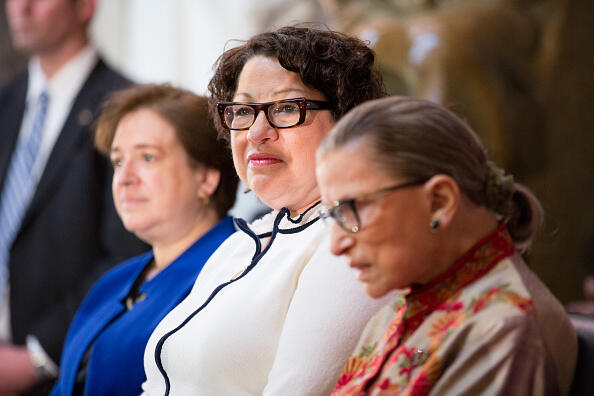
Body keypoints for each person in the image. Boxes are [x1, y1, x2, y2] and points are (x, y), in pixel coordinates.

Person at [141, 26, 394, 395]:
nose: (256, 132)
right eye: (243, 110)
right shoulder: (245, 240)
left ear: (348, 123)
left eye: (287, 107)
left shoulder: (349, 243)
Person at [315, 96, 578, 395]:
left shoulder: (502, 329)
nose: (336, 244)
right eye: (333, 215)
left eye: (352, 208)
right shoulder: (399, 310)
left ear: (440, 202)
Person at [49, 84, 238, 396]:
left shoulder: (232, 271)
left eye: (148, 158)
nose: (124, 178)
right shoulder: (114, 281)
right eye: (119, 161)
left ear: (206, 178)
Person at [0, 0, 148, 394]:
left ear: (85, 6)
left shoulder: (127, 109)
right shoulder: (6, 101)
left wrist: (39, 355)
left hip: (61, 369)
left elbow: (127, 254)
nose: (21, 8)